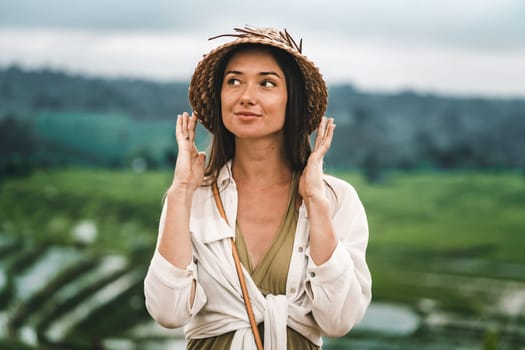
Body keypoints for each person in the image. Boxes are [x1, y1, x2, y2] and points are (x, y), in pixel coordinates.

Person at [144, 26, 372, 350]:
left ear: (291, 99)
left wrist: (315, 203)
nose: (246, 97)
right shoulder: (193, 197)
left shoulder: (336, 200)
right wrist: (181, 190)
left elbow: (339, 320)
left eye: (267, 83)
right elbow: (167, 312)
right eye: (234, 81)